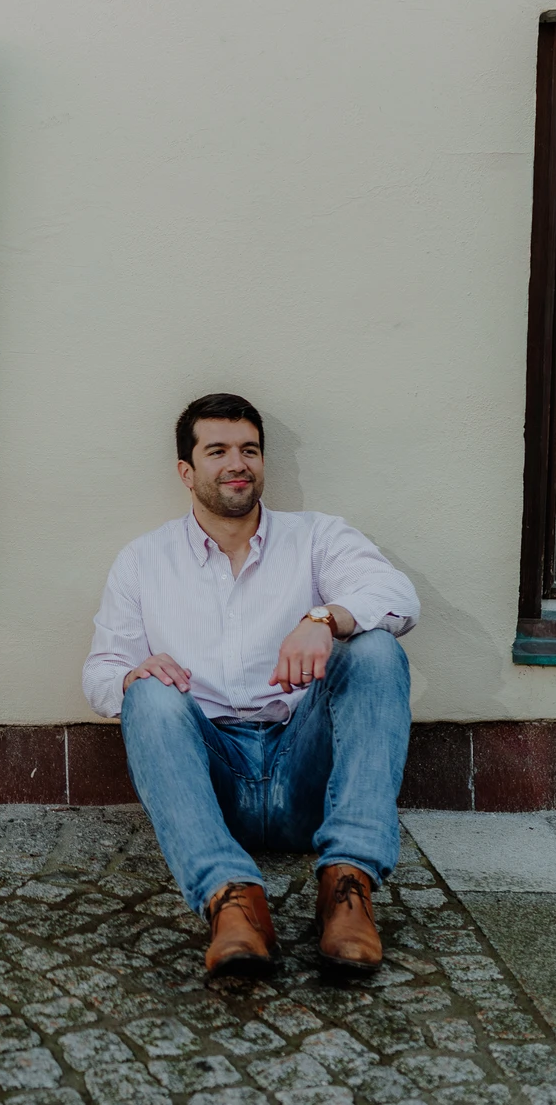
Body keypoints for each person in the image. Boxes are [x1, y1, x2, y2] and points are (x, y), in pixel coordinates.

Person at [83, 393, 418, 978]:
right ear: (186, 470)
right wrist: (132, 676)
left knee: (375, 649)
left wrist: (324, 618)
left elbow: (397, 597)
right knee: (148, 690)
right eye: (217, 451)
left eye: (249, 450)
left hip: (305, 769)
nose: (237, 464)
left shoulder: (315, 537)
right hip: (211, 785)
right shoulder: (143, 560)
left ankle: (348, 888)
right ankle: (231, 900)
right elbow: (100, 671)